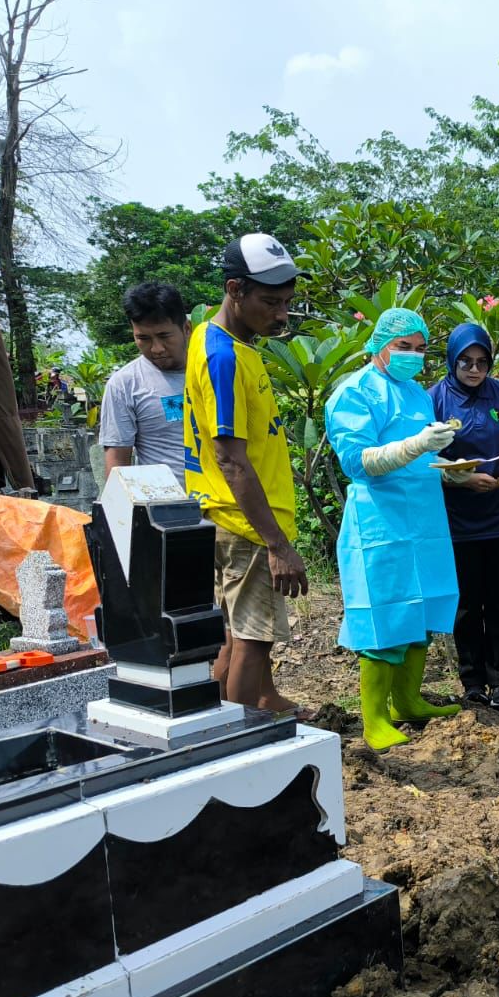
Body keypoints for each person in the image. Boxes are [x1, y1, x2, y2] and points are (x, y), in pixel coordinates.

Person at [323, 308, 461, 751]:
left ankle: (407, 700)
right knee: (383, 612)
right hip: (379, 521)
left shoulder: (418, 394)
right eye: (404, 347)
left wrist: (449, 469)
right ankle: (375, 719)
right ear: (378, 346)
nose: (413, 356)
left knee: (421, 611)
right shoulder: (354, 393)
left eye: (420, 349)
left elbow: (419, 459)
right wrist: (419, 443)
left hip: (423, 518)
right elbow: (360, 463)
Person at [184, 233, 308, 715]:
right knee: (254, 640)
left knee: (238, 636)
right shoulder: (223, 356)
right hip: (246, 524)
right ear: (235, 289)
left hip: (232, 517)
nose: (281, 315)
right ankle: (235, 744)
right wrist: (277, 544)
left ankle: (212, 722)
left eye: (287, 303)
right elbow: (231, 457)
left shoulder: (218, 340)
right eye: (271, 302)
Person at [430, 322, 499, 712]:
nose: (474, 370)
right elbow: (425, 458)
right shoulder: (435, 399)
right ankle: (472, 681)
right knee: (467, 604)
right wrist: (461, 479)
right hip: (459, 520)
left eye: (482, 363)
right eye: (466, 362)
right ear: (452, 361)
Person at [99, 282, 188, 481]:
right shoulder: (125, 385)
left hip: (227, 506)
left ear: (187, 329)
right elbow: (117, 468)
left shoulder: (215, 371)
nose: (156, 348)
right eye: (143, 338)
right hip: (168, 508)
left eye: (164, 336)